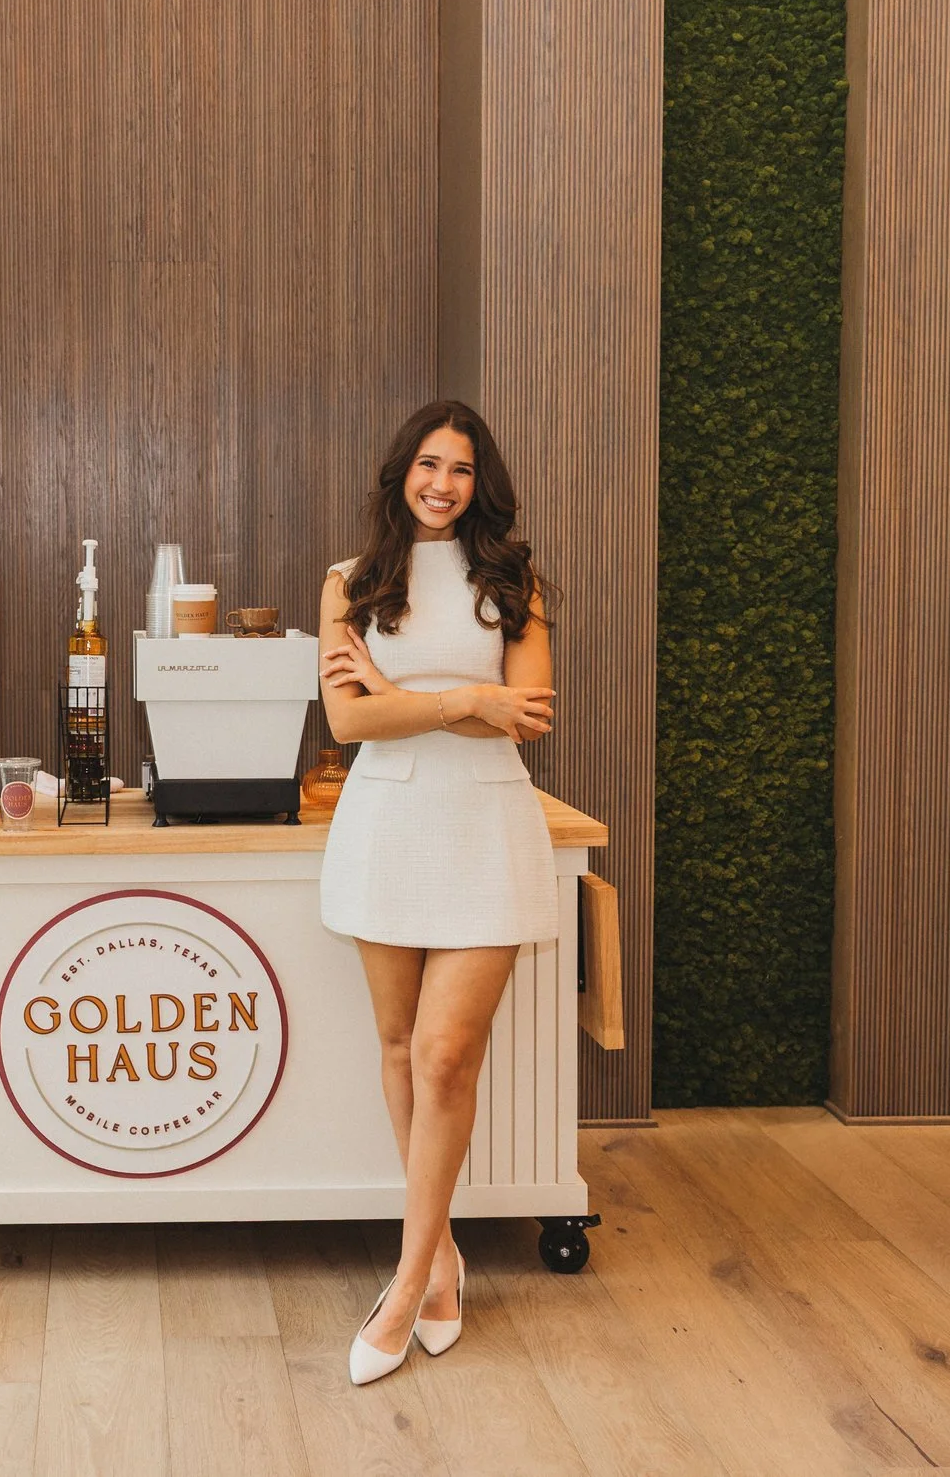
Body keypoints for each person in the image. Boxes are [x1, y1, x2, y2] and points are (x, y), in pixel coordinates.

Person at [317, 398, 562, 1385]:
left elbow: (527, 718)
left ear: (480, 481)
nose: (441, 483)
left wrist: (396, 691)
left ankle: (408, 1274)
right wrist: (465, 695)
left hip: (486, 829)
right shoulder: (350, 582)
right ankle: (446, 1260)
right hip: (385, 826)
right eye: (427, 462)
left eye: (460, 468)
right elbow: (346, 723)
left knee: (444, 1050)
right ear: (400, 471)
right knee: (396, 1047)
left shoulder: (515, 581)